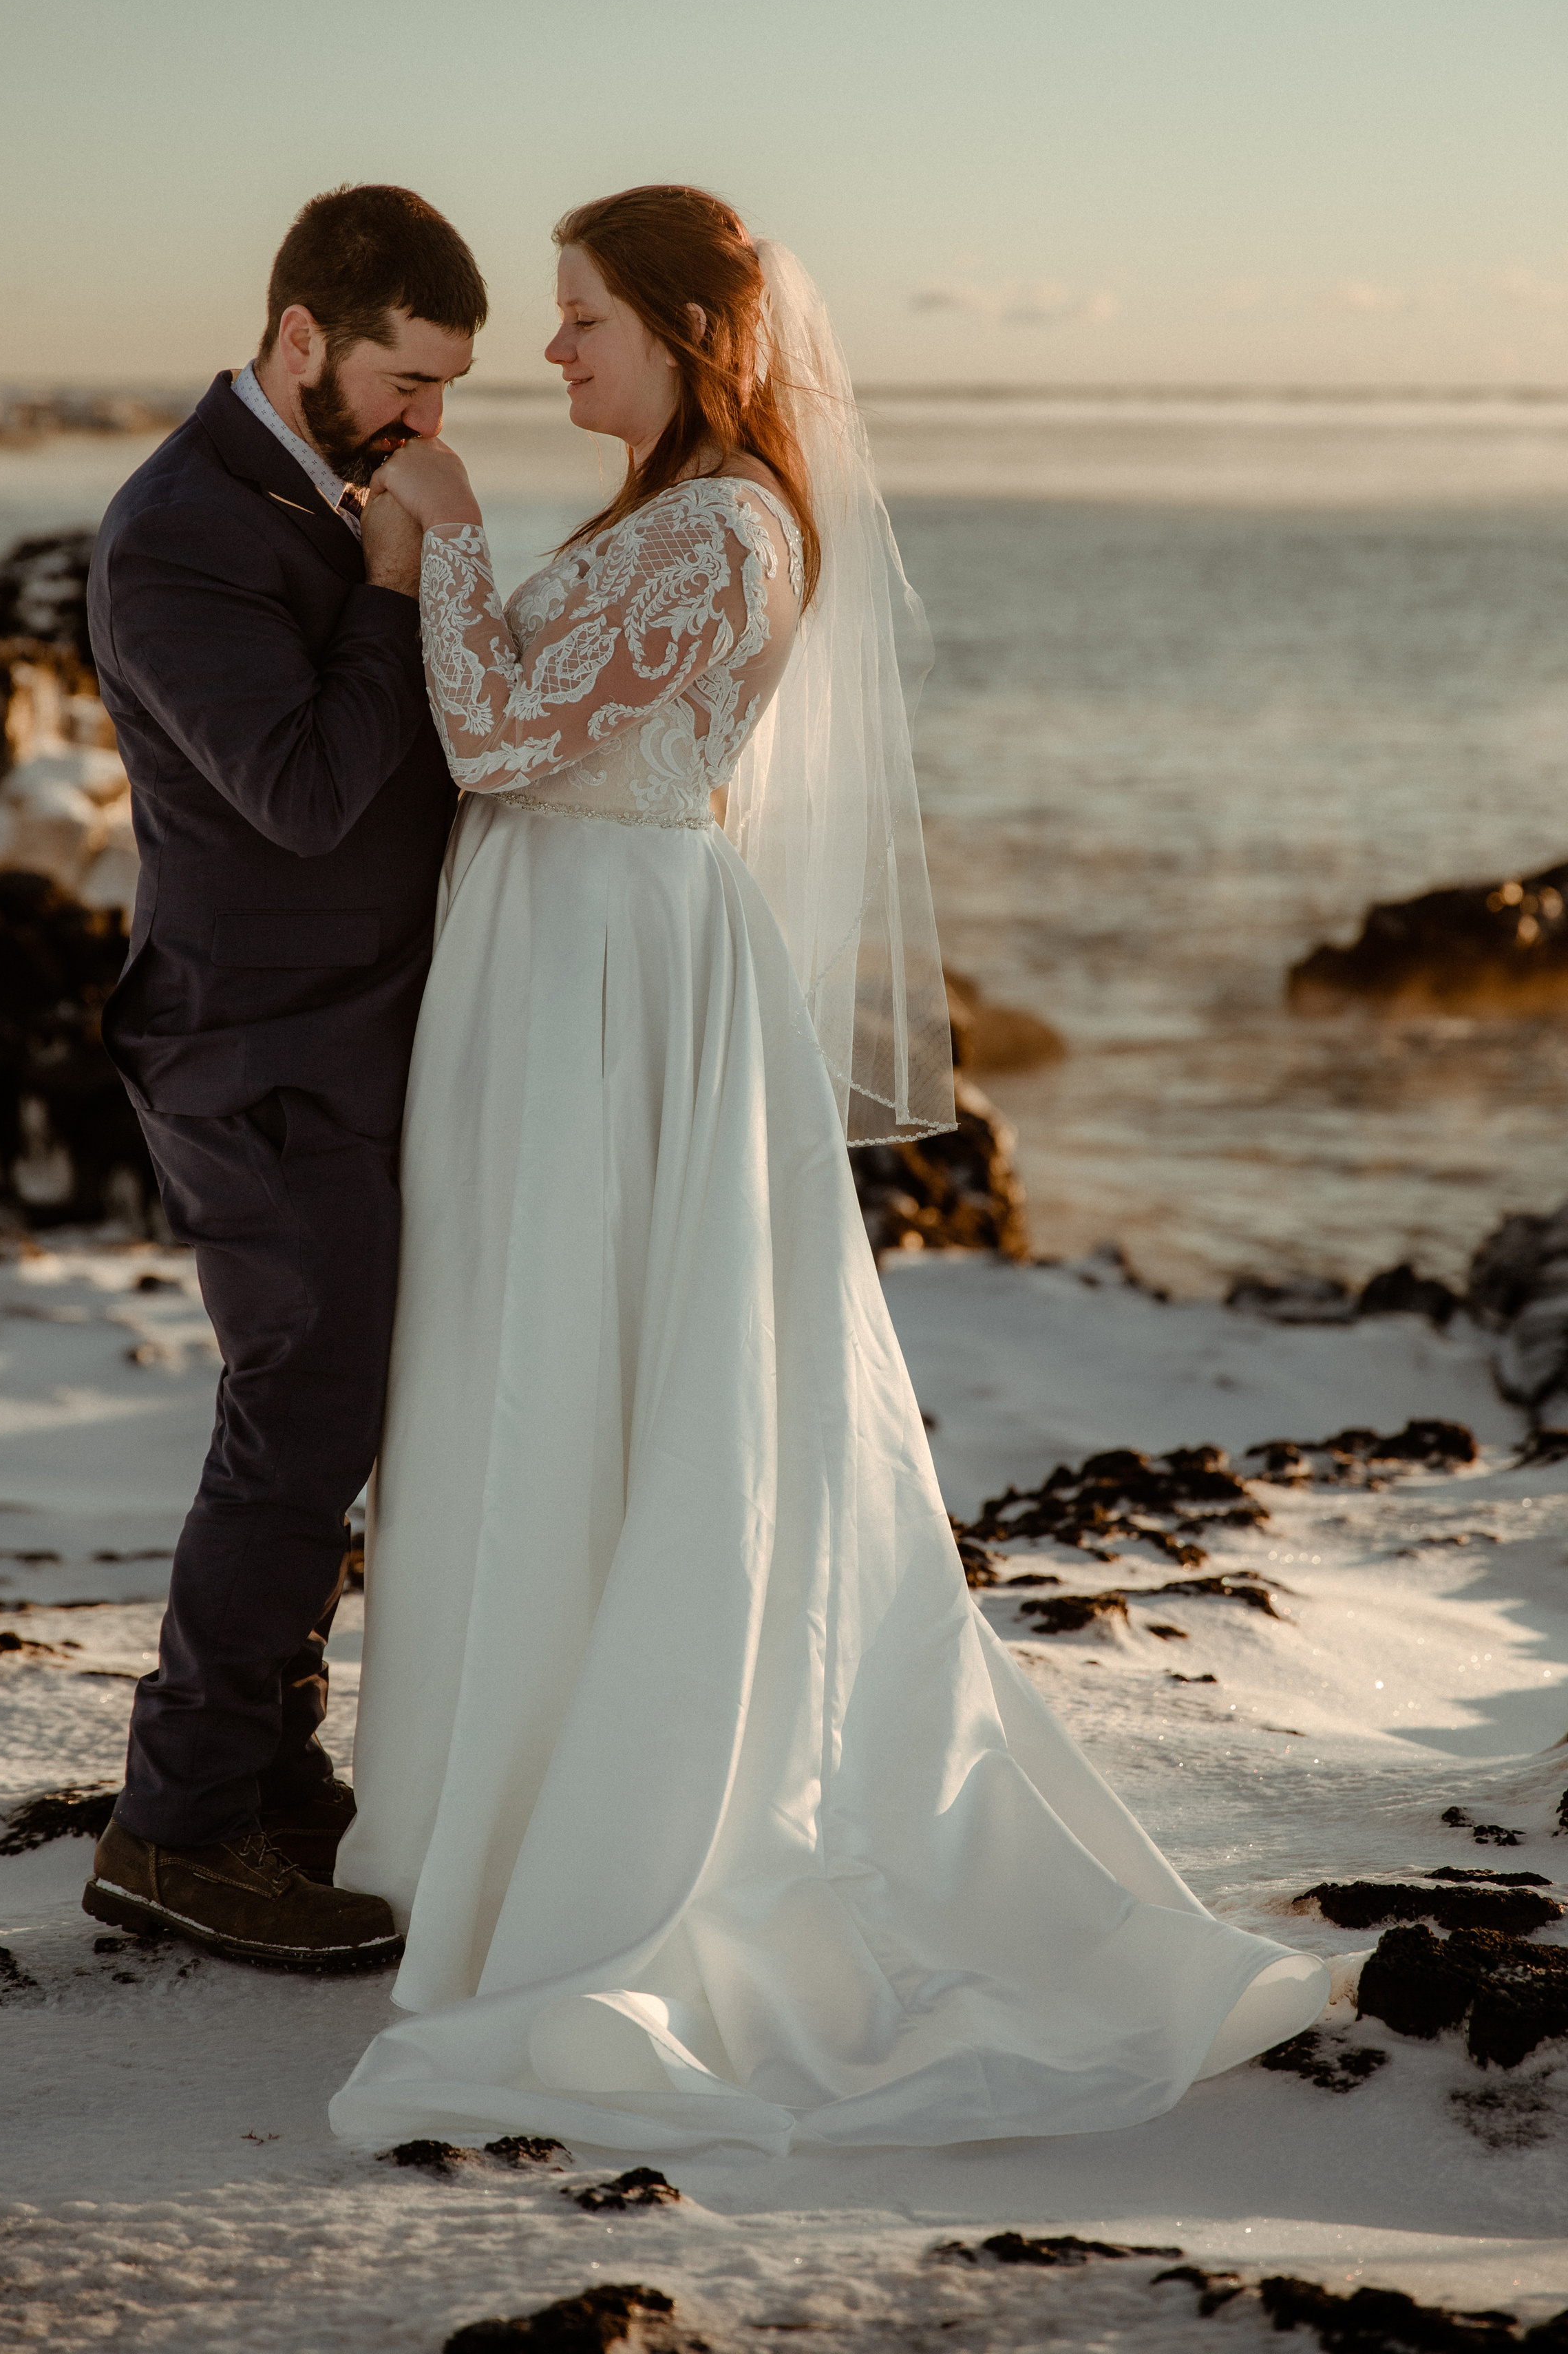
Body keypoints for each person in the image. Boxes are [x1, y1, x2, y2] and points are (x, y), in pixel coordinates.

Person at [329, 185, 1330, 2154]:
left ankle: (605, 1837)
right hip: (561, 958)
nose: (553, 355)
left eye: (585, 319)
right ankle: (496, 1808)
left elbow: (504, 735)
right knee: (538, 1355)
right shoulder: (656, 515)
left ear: (698, 335)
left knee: (616, 1364)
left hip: (618, 968)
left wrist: (443, 545)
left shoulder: (725, 529)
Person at [81, 183, 484, 1968]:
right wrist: (405, 572)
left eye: (452, 390)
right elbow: (311, 792)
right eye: (408, 382)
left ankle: (261, 1770)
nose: (431, 426)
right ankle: (171, 1831)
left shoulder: (323, 474)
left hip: (346, 1037)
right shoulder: (172, 534)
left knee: (331, 1422)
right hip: (253, 1051)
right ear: (302, 337)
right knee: (296, 1425)